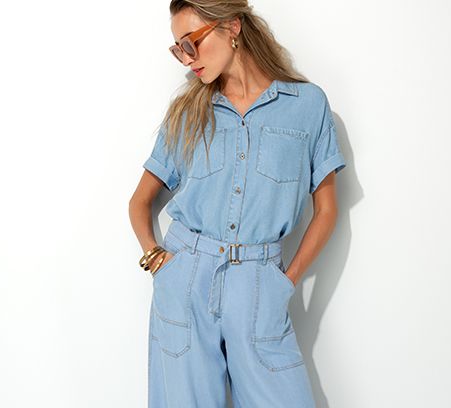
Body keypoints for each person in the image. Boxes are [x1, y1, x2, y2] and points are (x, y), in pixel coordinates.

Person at [128, 0, 344, 406]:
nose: (186, 58)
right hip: (186, 280)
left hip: (261, 283)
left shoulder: (307, 105)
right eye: (177, 49)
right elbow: (140, 201)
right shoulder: (188, 113)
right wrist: (158, 262)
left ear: (232, 26)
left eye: (191, 42)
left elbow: (327, 210)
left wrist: (286, 282)